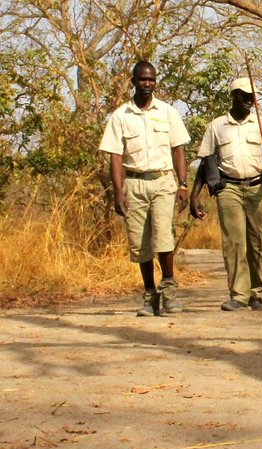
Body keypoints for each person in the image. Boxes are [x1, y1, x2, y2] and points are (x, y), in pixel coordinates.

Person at [99, 61, 191, 317]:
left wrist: (183, 184)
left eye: (151, 79)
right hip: (134, 183)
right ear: (133, 82)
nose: (147, 84)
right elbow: (115, 156)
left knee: (164, 237)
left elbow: (178, 149)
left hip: (163, 180)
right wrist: (118, 193)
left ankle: (169, 291)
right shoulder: (121, 116)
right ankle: (150, 295)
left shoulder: (168, 112)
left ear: (155, 82)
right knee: (140, 243)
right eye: (142, 79)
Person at [195, 77, 262, 312]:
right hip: (229, 188)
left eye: (251, 97)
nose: (248, 101)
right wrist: (194, 195)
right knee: (234, 243)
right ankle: (239, 295)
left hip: (257, 187)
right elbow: (205, 160)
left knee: (257, 242)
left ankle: (256, 294)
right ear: (233, 96)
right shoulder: (217, 126)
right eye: (243, 96)